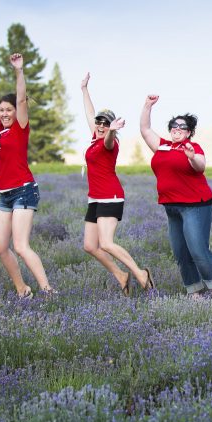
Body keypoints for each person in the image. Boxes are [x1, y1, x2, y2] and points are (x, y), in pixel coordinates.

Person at [0, 53, 53, 297]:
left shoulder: (20, 128)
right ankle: (22, 289)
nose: (5, 113)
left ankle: (48, 291)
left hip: (24, 189)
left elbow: (23, 100)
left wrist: (19, 71)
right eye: (2, 110)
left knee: (21, 246)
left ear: (16, 112)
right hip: (5, 194)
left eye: (9, 110)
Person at [140, 93, 212, 298]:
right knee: (180, 252)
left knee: (197, 249)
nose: (176, 130)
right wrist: (147, 106)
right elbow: (144, 129)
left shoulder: (193, 147)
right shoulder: (162, 145)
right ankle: (193, 291)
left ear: (189, 132)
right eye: (173, 127)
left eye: (182, 128)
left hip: (196, 205)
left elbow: (200, 166)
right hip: (172, 206)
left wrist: (191, 157)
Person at [80, 73, 153, 295]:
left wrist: (111, 130)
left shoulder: (109, 144)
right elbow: (90, 113)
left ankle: (141, 273)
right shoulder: (94, 138)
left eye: (106, 123)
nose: (101, 125)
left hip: (110, 197)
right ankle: (120, 275)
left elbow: (109, 139)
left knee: (107, 243)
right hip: (95, 198)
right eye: (99, 123)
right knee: (90, 246)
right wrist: (84, 89)